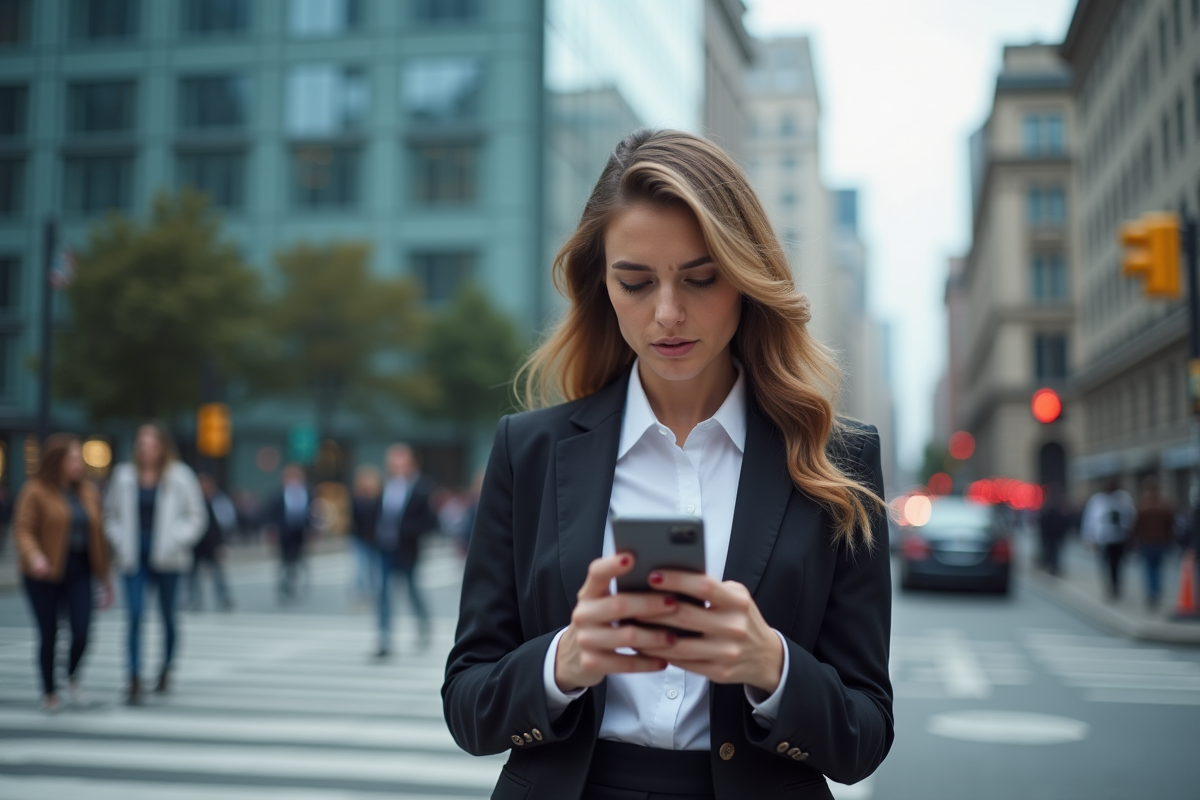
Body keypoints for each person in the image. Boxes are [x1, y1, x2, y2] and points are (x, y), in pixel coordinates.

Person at [442, 130, 892, 800]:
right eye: (635, 282)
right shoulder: (529, 452)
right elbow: (467, 705)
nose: (668, 314)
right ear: (602, 286)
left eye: (701, 278)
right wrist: (562, 663)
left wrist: (773, 668)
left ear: (744, 278)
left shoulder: (836, 461)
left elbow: (865, 734)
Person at [104, 422, 206, 704]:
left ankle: (166, 667)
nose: (145, 448)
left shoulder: (180, 476)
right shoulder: (123, 476)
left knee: (168, 617)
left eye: (151, 443)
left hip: (169, 557)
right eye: (141, 443)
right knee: (135, 615)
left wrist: (176, 538)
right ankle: (134, 676)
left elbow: (197, 517)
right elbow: (110, 515)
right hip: (133, 555)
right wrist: (118, 539)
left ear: (162, 447)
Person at [14, 434, 111, 713]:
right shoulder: (35, 490)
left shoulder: (88, 492)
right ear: (57, 460)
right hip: (44, 572)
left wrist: (105, 576)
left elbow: (99, 536)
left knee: (82, 631)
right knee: (50, 633)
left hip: (80, 570)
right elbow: (22, 529)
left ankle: (70, 675)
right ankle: (49, 692)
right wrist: (34, 556)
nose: (77, 463)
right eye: (72, 457)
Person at [373, 444, 438, 657]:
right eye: (392, 463)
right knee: (382, 591)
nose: (396, 467)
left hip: (408, 548)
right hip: (385, 548)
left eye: (400, 463)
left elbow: (430, 521)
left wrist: (404, 530)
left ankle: (423, 625)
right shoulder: (385, 485)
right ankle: (384, 636)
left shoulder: (422, 487)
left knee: (412, 590)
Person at [1081, 478, 1136, 600]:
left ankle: (1117, 585)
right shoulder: (1097, 500)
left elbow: (1131, 517)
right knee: (1106, 564)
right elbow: (1090, 520)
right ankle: (1110, 586)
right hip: (1104, 540)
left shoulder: (1123, 498)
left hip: (1119, 539)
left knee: (1118, 564)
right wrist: (1089, 537)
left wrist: (1130, 535)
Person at [265, 464, 313, 602]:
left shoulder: (307, 492)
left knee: (298, 558)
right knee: (284, 559)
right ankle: (284, 584)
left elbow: (312, 512)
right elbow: (271, 513)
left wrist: (312, 529)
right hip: (284, 531)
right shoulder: (277, 493)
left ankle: (295, 581)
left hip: (300, 530)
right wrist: (271, 530)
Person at [188, 474, 236, 612]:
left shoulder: (219, 501)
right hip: (195, 544)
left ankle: (224, 598)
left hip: (213, 544)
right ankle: (194, 600)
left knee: (218, 574)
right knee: (192, 576)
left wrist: (221, 544)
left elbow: (225, 523)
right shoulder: (194, 501)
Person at [1130, 475, 1176, 608]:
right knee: (1158, 568)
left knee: (1149, 568)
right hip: (1161, 541)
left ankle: (1151, 592)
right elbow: (1171, 525)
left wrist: (1133, 541)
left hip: (1146, 542)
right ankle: (1156, 591)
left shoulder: (1142, 506)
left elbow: (1135, 526)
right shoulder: (1164, 505)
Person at [350, 464, 383, 605]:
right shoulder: (356, 498)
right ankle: (361, 594)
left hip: (376, 539)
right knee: (360, 569)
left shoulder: (380, 498)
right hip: (360, 538)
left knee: (375, 569)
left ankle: (375, 594)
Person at [1037, 483, 1072, 576]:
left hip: (1053, 535)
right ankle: (1053, 566)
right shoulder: (1053, 510)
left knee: (1054, 552)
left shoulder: (1052, 510)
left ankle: (1053, 566)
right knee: (1053, 552)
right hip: (1052, 535)